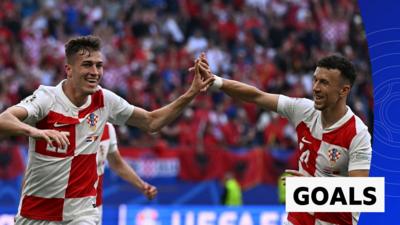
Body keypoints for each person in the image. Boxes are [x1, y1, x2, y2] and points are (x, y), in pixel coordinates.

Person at [0, 35, 214, 225]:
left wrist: (191, 93)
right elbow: (4, 120)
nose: (95, 72)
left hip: (81, 214)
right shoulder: (46, 98)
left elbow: (152, 122)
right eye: (87, 65)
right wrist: (37, 132)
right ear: (69, 69)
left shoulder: (104, 100)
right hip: (37, 213)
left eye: (98, 65)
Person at [198, 54, 372, 225]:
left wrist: (315, 189)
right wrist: (216, 81)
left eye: (324, 82)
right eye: (315, 80)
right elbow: (256, 96)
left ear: (344, 90)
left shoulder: (358, 134)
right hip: (298, 219)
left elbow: (362, 196)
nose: (316, 88)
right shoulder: (303, 110)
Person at [96, 122, 155, 225]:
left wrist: (142, 185)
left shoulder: (107, 128)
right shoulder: (64, 125)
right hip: (61, 203)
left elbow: (117, 163)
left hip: (92, 207)